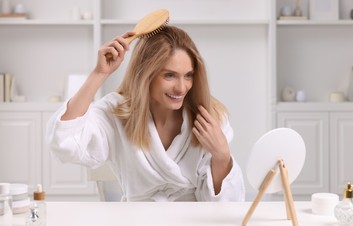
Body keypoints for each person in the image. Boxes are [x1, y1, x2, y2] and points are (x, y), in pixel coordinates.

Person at [46, 25, 245, 202]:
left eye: (188, 75)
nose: (181, 87)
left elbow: (225, 207)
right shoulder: (118, 113)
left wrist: (222, 156)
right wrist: (99, 74)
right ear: (145, 75)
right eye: (169, 75)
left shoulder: (210, 120)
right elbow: (63, 143)